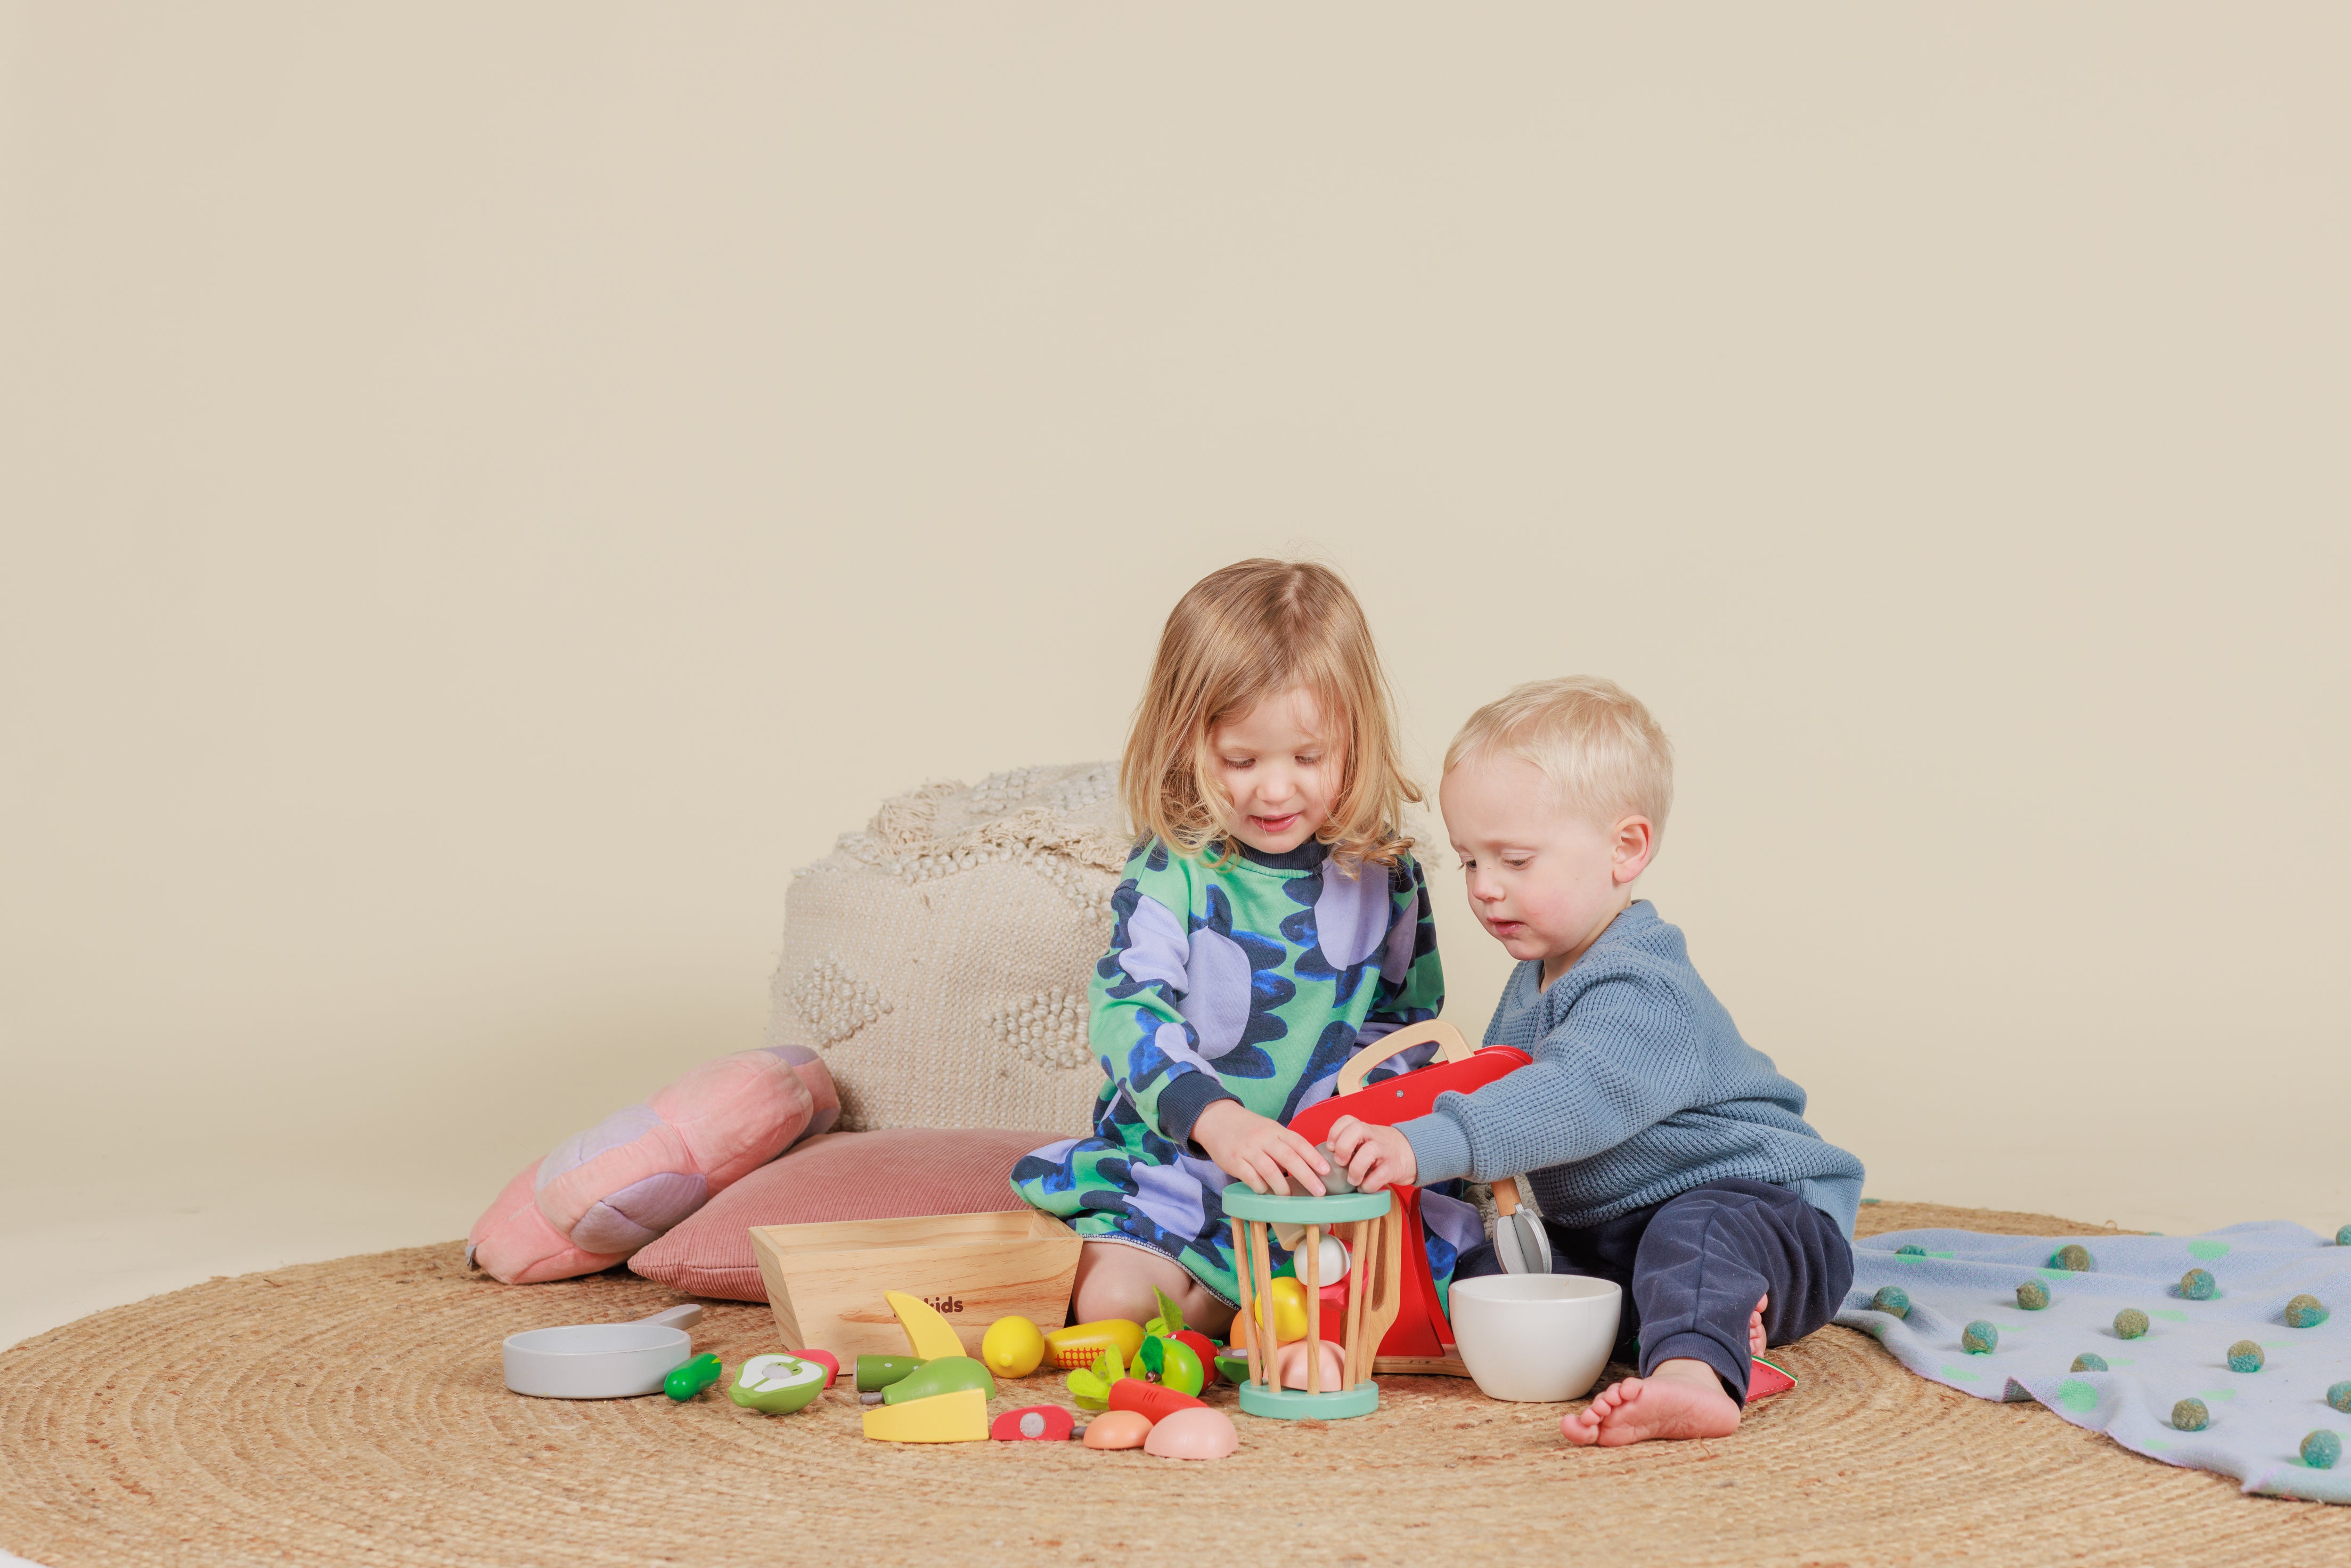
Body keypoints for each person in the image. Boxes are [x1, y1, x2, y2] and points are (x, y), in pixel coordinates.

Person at [1328, 677, 1865, 1446]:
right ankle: (1701, 1315)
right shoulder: (1534, 974)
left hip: (1765, 1213)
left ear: (1625, 849)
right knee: (1493, 1276)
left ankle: (1692, 1375)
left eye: (1514, 860)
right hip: (1616, 1228)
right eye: (1469, 862)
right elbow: (1497, 1102)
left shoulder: (1642, 985)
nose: (1484, 890)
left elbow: (1564, 1099)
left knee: (1700, 1234)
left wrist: (1421, 1143)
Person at [1009, 559, 1470, 1334]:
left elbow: (1403, 1024)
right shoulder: (1173, 869)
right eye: (1241, 760)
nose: (1274, 790)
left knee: (1420, 1292)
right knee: (1115, 1304)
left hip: (1312, 1182)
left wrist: (1348, 1140)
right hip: (1177, 1164)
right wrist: (1216, 1120)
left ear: (1353, 740)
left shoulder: (1386, 876)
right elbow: (1127, 1012)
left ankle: (1253, 1306)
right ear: (1187, 741)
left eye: (1307, 758)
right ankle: (1223, 1301)